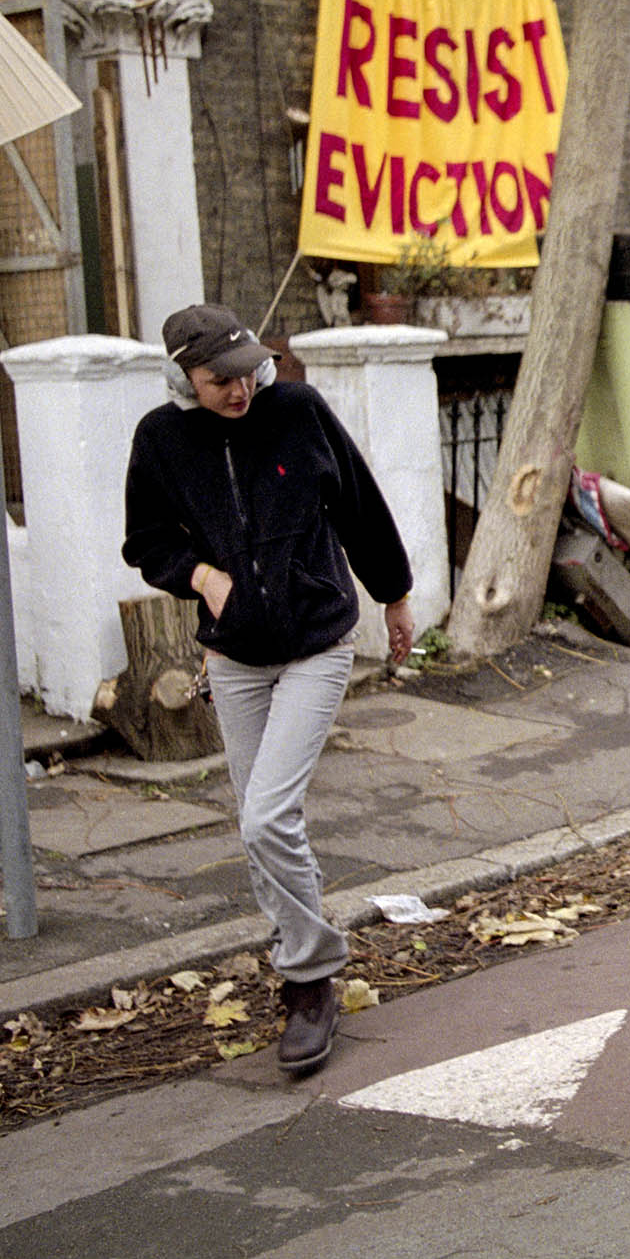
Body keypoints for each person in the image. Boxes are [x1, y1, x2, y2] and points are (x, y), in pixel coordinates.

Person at [123, 304, 416, 1074]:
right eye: (217, 379)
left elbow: (359, 506)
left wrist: (394, 595)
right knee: (264, 828)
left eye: (245, 371)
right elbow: (145, 541)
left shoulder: (296, 410)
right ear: (183, 379)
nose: (238, 390)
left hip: (317, 641)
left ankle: (309, 981)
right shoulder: (160, 439)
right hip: (235, 656)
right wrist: (200, 575)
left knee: (264, 817)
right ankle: (302, 952)